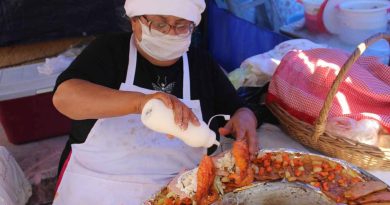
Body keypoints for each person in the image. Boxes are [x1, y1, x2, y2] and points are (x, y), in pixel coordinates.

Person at [52, 0, 258, 204]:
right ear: (134, 21)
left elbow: (237, 108)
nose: (170, 33)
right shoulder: (109, 51)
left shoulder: (200, 63)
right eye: (160, 24)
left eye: (181, 25)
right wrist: (140, 103)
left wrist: (245, 118)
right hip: (99, 187)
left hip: (181, 190)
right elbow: (65, 97)